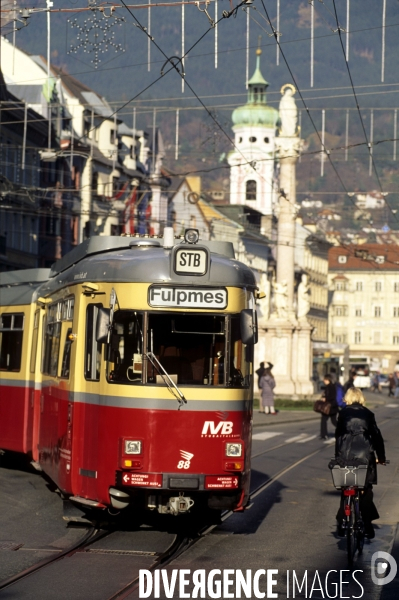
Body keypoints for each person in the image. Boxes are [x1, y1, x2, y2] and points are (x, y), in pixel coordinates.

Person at [334, 387, 386, 539]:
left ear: (348, 398)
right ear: (361, 398)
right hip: (365, 455)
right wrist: (381, 457)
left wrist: (338, 456)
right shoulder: (368, 414)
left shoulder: (343, 413)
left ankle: (342, 522)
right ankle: (368, 526)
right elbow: (376, 436)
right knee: (365, 490)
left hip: (345, 454)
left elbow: (338, 436)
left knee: (346, 487)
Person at [320, 374, 338, 440]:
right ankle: (323, 434)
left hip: (330, 407)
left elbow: (332, 396)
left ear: (328, 380)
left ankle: (324, 434)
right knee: (331, 421)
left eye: (325, 379)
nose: (324, 381)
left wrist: (325, 398)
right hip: (331, 407)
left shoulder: (330, 387)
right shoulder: (329, 387)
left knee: (327, 420)